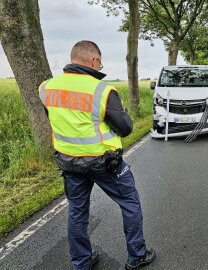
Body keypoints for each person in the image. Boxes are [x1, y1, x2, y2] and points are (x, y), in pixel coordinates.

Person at [38, 40, 156, 270]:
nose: (100, 65)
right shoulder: (102, 90)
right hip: (104, 163)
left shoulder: (47, 88)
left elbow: (53, 117)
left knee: (77, 211)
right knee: (129, 202)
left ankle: (81, 262)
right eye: (99, 61)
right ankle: (137, 255)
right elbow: (125, 128)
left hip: (68, 162)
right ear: (94, 61)